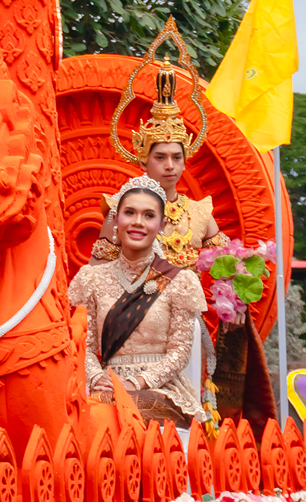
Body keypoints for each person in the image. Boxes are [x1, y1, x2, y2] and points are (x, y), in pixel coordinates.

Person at [70, 176, 207, 428]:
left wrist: (136, 383)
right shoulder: (91, 278)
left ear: (162, 224)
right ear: (116, 219)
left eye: (148, 215)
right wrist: (97, 377)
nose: (137, 222)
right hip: (105, 386)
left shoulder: (180, 280)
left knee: (128, 406)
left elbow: (179, 353)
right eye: (130, 213)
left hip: (160, 390)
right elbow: (84, 346)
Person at [94, 53, 228, 270]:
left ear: (185, 162)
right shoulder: (121, 209)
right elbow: (96, 274)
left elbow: (229, 265)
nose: (169, 165)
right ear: (144, 162)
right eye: (160, 157)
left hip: (188, 304)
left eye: (176, 157)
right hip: (134, 303)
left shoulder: (199, 213)